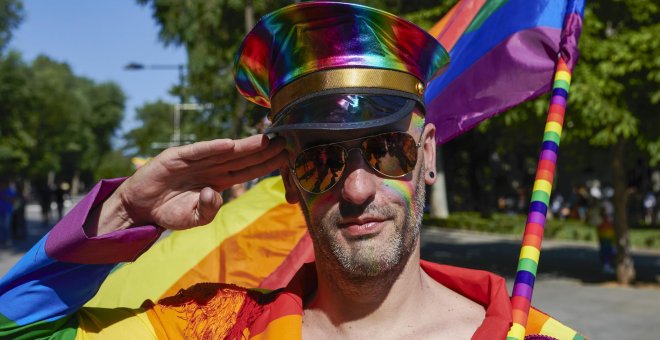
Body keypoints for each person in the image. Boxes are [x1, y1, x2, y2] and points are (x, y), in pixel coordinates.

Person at [0, 3, 581, 339]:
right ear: (289, 179)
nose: (357, 187)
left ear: (426, 155)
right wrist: (123, 211)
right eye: (322, 159)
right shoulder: (213, 328)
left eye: (386, 152)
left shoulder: (538, 337)